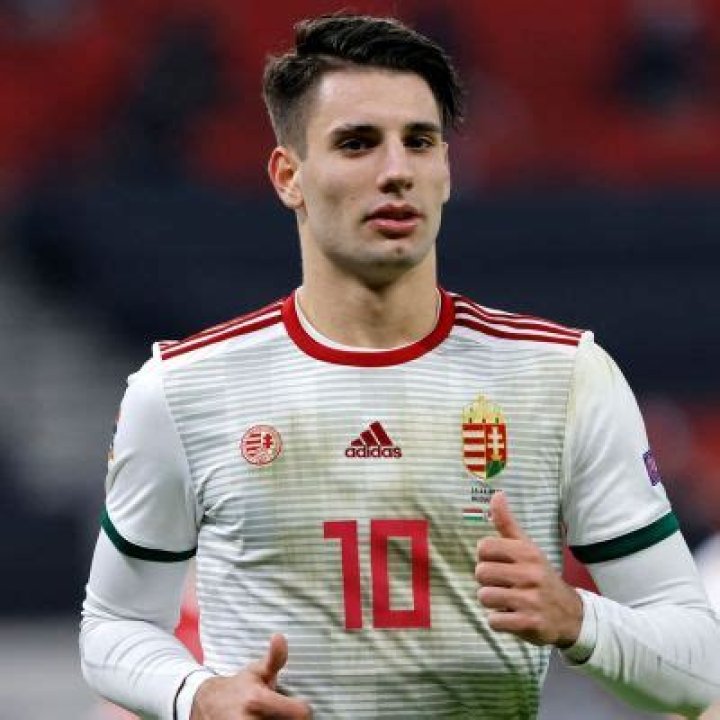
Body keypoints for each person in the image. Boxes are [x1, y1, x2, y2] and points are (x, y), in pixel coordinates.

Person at [79, 13, 720, 720]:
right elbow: (114, 626)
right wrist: (194, 695)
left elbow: (699, 668)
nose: (396, 171)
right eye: (357, 143)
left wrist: (578, 619)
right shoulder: (182, 389)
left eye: (419, 142)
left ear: (445, 169)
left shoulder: (564, 377)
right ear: (289, 176)